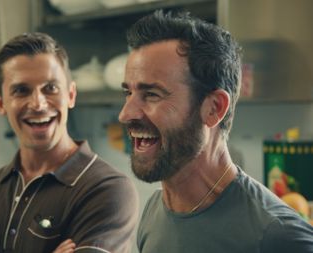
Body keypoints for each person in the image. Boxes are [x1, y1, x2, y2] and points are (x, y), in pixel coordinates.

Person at [118, 10, 313, 253]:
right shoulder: (154, 211)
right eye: (128, 93)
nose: (125, 114)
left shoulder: (278, 236)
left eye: (152, 94)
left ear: (214, 108)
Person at [0, 32, 139, 253]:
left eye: (51, 88)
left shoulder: (107, 190)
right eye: (21, 90)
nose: (38, 104)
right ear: (0, 103)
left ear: (71, 95)